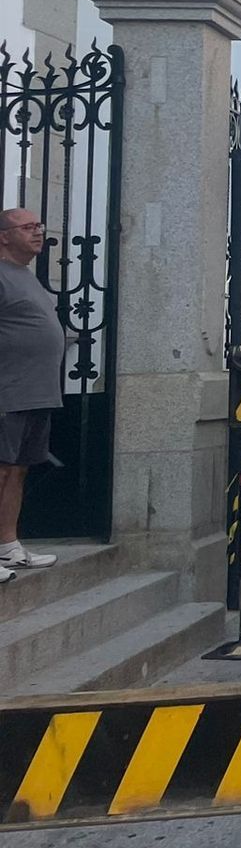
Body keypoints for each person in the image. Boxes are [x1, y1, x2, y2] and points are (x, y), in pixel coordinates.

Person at [0, 207, 62, 580]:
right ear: (4, 236)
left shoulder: (26, 276)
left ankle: (8, 545)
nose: (38, 232)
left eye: (39, 225)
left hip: (36, 391)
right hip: (8, 390)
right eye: (28, 227)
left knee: (17, 470)